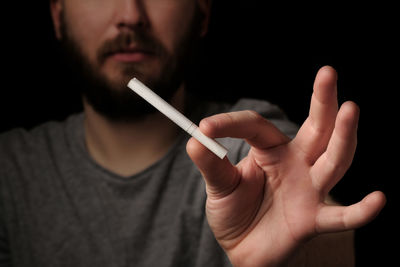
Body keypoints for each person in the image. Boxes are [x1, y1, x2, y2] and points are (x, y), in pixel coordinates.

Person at [0, 0, 386, 266]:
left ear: (202, 12)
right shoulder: (11, 170)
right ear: (58, 14)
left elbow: (320, 235)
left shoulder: (247, 147)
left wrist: (296, 251)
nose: (131, 15)